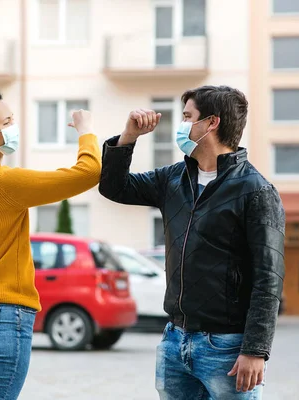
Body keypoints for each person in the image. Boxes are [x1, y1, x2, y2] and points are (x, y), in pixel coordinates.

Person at [99, 85, 285, 399]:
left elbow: (268, 278)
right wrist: (127, 137)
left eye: (187, 116)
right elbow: (114, 188)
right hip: (175, 339)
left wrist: (256, 350)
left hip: (227, 348)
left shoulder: (256, 190)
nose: (181, 124)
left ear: (212, 123)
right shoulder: (172, 179)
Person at [0, 88, 100, 400]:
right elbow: (88, 173)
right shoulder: (1, 182)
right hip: (0, 319)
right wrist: (85, 131)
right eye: (6, 122)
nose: (14, 128)